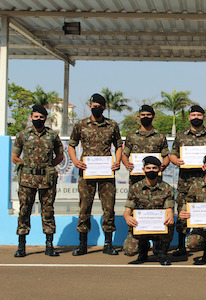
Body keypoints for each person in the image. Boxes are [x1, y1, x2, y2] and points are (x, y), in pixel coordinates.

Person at [68, 93, 123, 256]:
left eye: (100, 105)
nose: (96, 107)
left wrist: (117, 161)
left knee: (109, 208)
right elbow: (72, 144)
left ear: (104, 108)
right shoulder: (80, 125)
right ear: (90, 106)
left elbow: (119, 145)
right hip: (87, 171)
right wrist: (75, 161)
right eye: (94, 105)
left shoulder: (112, 125)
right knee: (85, 207)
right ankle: (82, 244)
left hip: (106, 172)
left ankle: (108, 244)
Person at [170, 105, 206, 256]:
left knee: (205, 211)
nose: (196, 117)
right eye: (193, 114)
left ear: (203, 117)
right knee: (183, 211)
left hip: (205, 181)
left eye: (199, 115)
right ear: (189, 117)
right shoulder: (181, 136)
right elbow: (172, 154)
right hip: (185, 181)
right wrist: (177, 161)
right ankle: (181, 245)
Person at [11, 105, 64, 257]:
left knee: (48, 212)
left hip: (46, 180)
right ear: (31, 118)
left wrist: (48, 167)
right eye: (36, 117)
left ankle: (49, 245)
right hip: (27, 180)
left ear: (45, 118)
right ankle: (21, 246)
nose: (38, 120)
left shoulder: (52, 135)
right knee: (24, 211)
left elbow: (60, 156)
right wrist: (26, 166)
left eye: (41, 117)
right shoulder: (23, 135)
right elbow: (14, 157)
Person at [122, 156, 174, 265]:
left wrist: (170, 216)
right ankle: (143, 250)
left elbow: (169, 208)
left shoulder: (167, 188)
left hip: (159, 226)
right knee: (129, 250)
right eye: (148, 168)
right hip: (141, 226)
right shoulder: (135, 188)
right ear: (143, 170)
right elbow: (127, 210)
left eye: (154, 168)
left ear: (160, 169)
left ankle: (163, 253)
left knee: (170, 223)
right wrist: (127, 217)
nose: (151, 171)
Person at [122, 105, 170, 186]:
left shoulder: (160, 136)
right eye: (143, 115)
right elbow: (125, 155)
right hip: (136, 178)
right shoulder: (131, 135)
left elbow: (166, 156)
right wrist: (126, 163)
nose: (145, 117)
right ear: (138, 117)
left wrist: (163, 166)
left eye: (148, 115)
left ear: (153, 117)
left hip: (154, 178)